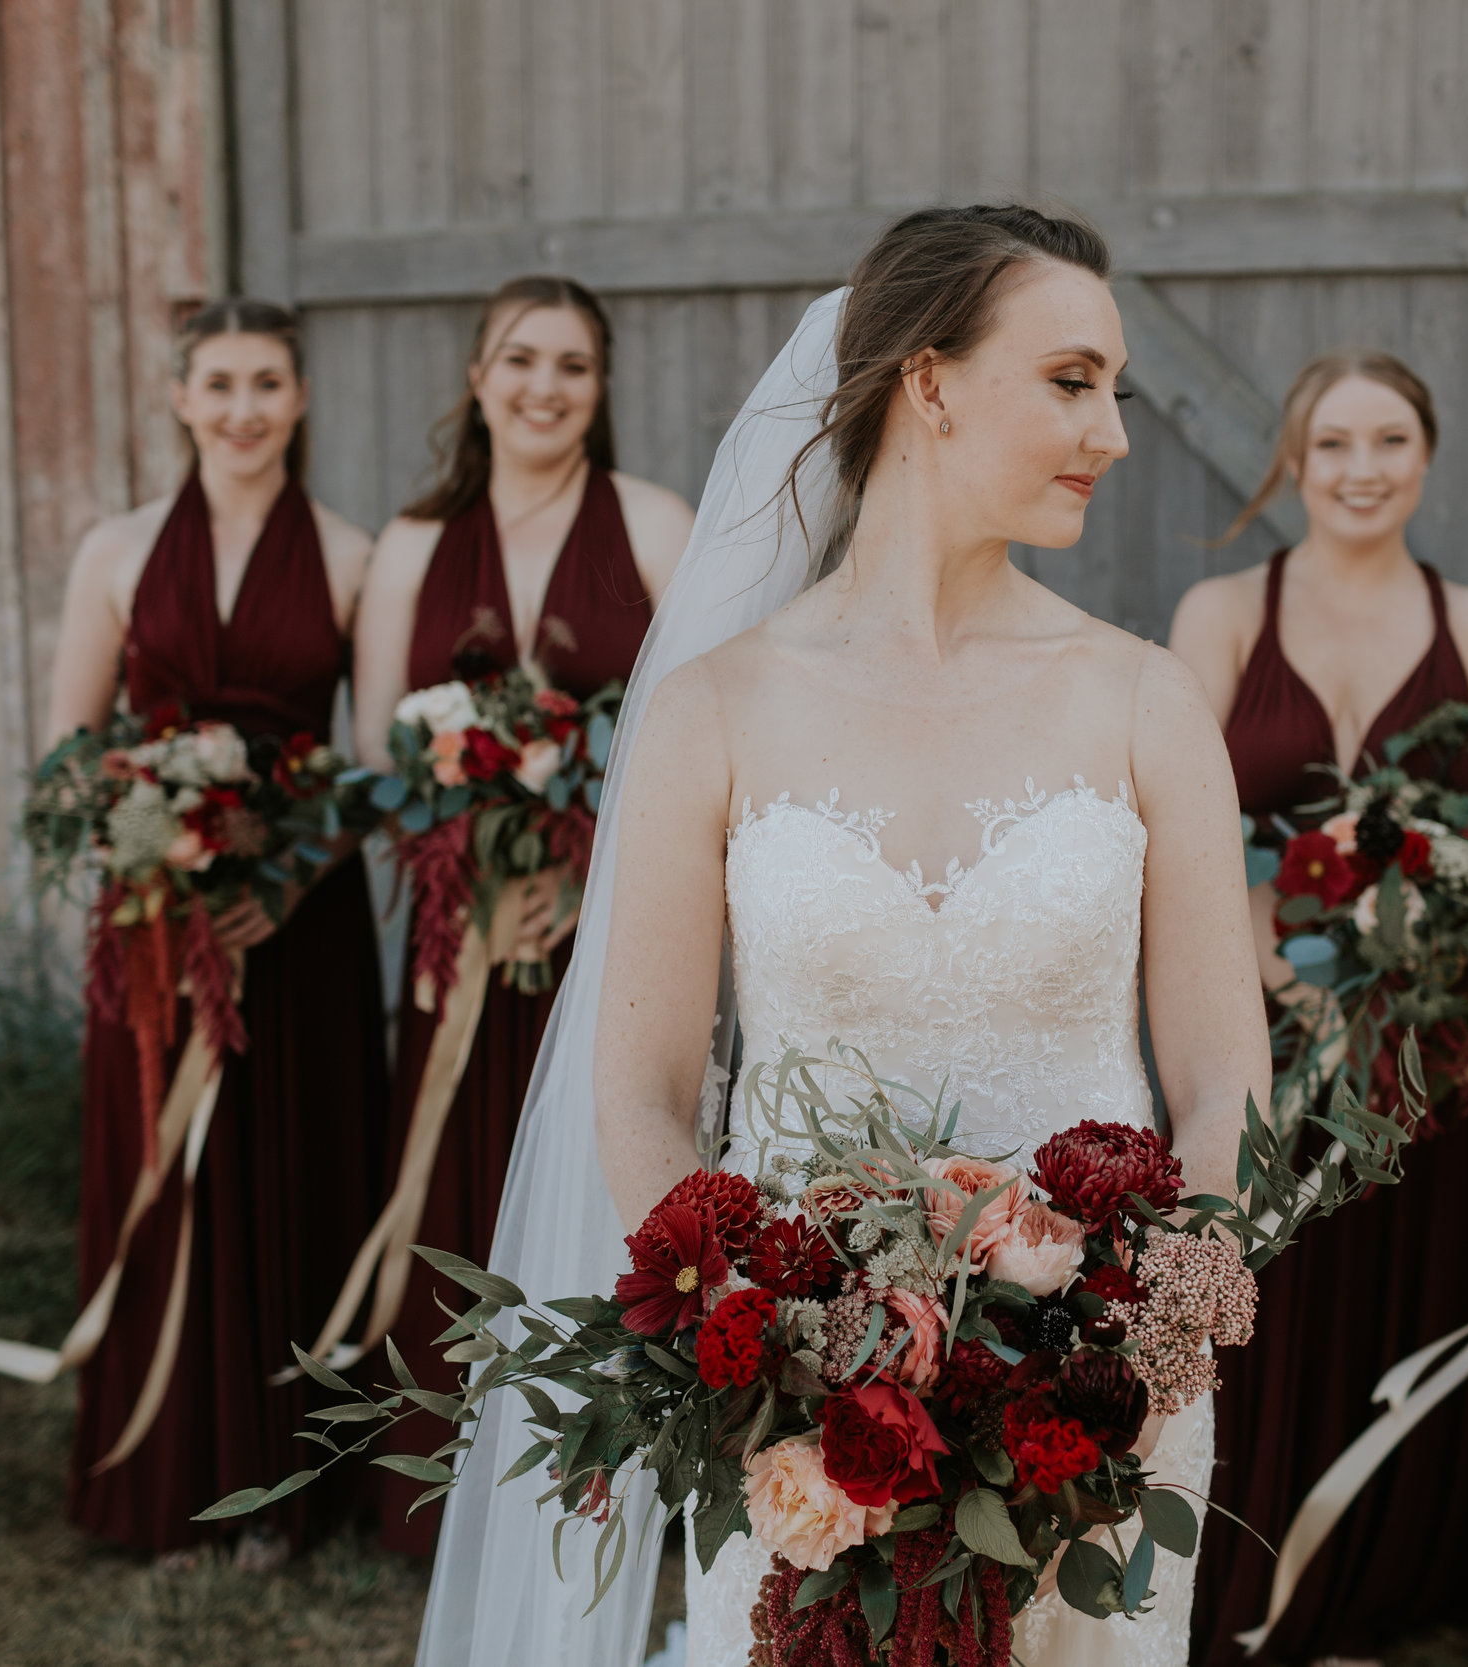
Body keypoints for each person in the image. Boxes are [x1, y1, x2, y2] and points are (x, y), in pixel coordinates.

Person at [414, 206, 1273, 1667]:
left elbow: (1220, 1082)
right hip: (795, 1406)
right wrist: (772, 1353)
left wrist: (1136, 1339)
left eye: (1116, 386)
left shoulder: (1145, 700)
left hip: (1097, 1404)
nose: (1114, 432)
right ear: (928, 381)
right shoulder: (713, 709)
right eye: (1072, 380)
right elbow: (640, 1091)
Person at [1169, 353, 1468, 1664]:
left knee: (1410, 1285)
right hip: (1257, 1019)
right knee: (1270, 1295)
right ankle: (1247, 1562)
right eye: (1334, 443)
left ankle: (1393, 1572)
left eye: (1390, 440)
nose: (1363, 467)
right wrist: (1278, 976)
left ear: (1426, 457)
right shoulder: (1220, 614)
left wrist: (1428, 961)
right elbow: (1179, 833)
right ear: (1293, 461)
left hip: (1430, 1039)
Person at [44, 299, 390, 1568]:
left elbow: (375, 764)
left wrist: (287, 873)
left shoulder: (352, 557)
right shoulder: (118, 553)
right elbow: (68, 755)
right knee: (169, 1178)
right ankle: (166, 1481)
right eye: (219, 384)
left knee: (292, 1170)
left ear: (299, 399)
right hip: (158, 922)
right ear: (179, 398)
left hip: (296, 923)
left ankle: (286, 1491)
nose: (242, 408)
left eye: (267, 383)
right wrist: (154, 839)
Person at [349, 275, 691, 1555]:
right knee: (462, 1193)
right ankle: (449, 1496)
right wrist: (475, 872)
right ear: (477, 377)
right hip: (466, 941)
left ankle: (612, 1488)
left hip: (615, 939)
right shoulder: (411, 547)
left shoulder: (654, 526)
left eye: (573, 367)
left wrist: (584, 872)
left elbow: (703, 737)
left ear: (600, 392)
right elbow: (382, 754)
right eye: (520, 359)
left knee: (608, 1203)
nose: (544, 386)